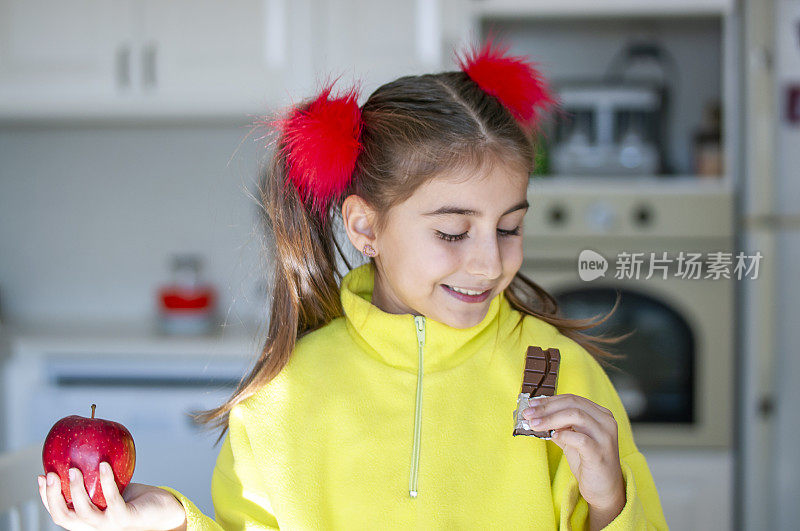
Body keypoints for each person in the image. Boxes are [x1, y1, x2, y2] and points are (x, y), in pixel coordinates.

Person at [37, 38, 668, 530]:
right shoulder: (284, 394)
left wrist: (610, 497)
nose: (488, 262)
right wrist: (172, 518)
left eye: (509, 227)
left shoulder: (560, 371)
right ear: (366, 226)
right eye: (453, 232)